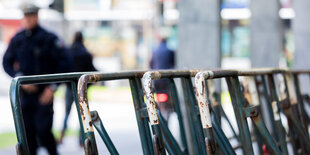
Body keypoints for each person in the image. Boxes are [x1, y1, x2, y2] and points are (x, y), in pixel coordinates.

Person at [2, 3, 70, 155]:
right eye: (25, 16)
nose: (28, 19)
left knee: (44, 130)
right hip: (25, 95)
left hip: (43, 94)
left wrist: (52, 87)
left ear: (36, 16)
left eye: (31, 16)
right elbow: (6, 62)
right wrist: (19, 78)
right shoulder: (17, 39)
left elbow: (64, 64)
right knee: (28, 135)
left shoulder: (49, 38)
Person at [58, 31, 97, 145]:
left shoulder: (67, 51)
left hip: (70, 86)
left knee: (66, 113)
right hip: (82, 88)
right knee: (83, 113)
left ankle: (62, 135)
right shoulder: (85, 53)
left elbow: (63, 68)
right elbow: (91, 69)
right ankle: (82, 139)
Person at [150, 37, 175, 120]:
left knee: (157, 94)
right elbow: (173, 63)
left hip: (156, 79)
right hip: (166, 78)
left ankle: (158, 112)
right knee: (168, 94)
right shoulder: (169, 51)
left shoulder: (155, 51)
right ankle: (166, 110)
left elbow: (151, 64)